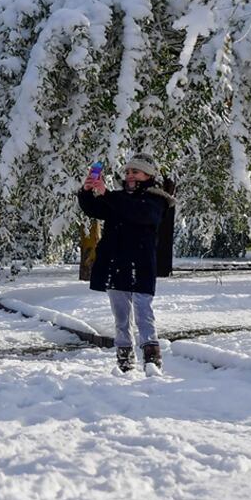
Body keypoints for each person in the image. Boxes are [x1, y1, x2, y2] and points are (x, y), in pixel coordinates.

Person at [78, 153, 175, 373]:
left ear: (148, 175)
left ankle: (151, 359)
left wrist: (107, 194)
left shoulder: (156, 200)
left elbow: (139, 213)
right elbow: (94, 209)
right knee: (120, 316)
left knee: (143, 313)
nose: (130, 175)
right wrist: (87, 191)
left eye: (136, 172)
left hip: (141, 265)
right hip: (116, 264)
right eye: (128, 171)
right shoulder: (118, 198)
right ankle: (124, 359)